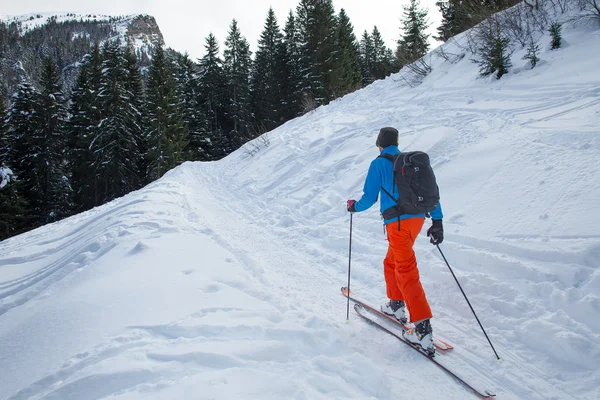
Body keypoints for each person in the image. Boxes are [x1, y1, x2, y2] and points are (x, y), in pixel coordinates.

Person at [347, 127, 444, 355]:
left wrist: (354, 207)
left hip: (397, 225)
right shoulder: (409, 163)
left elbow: (370, 197)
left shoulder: (379, 163)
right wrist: (437, 220)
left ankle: (422, 329)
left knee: (406, 270)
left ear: (379, 144)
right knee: (391, 262)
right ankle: (396, 304)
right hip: (417, 221)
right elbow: (431, 193)